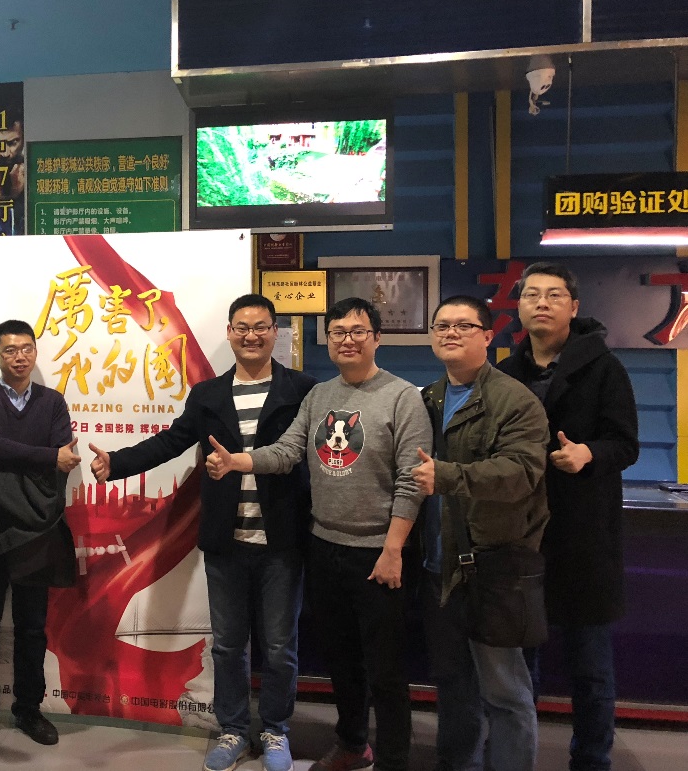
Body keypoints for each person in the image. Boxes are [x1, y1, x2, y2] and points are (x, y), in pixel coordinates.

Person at [88, 293, 316, 771]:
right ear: (229, 333)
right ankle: (233, 729)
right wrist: (117, 462)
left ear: (275, 331)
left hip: (282, 541)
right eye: (242, 327)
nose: (251, 335)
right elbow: (172, 441)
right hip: (225, 542)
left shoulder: (303, 390)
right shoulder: (208, 394)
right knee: (228, 645)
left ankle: (275, 731)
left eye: (260, 326)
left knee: (280, 647)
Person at [208, 297, 430, 771]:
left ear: (377, 338)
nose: (347, 340)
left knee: (386, 670)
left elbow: (412, 482)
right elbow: (287, 451)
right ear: (327, 339)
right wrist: (237, 461)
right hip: (324, 548)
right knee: (342, 662)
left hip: (379, 552)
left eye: (357, 331)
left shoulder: (402, 397)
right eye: (337, 332)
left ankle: (393, 759)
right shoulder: (319, 396)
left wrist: (394, 549)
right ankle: (353, 745)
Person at [497, 263, 639, 771]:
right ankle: (517, 758)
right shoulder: (506, 372)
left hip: (583, 538)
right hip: (520, 537)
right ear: (519, 306)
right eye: (531, 294)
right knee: (518, 668)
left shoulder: (605, 368)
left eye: (554, 295)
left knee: (590, 669)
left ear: (574, 307)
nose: (542, 302)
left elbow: (626, 445)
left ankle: (592, 760)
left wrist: (588, 454)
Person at [412, 295, 551, 771]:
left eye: (464, 325)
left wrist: (449, 476)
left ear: (488, 336)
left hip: (493, 567)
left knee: (505, 693)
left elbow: (521, 473)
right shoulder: (426, 399)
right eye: (442, 326)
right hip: (438, 566)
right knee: (453, 684)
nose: (451, 333)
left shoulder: (515, 400)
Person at [0, 319, 79, 754]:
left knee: (32, 628)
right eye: (9, 350)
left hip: (36, 529)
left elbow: (61, 458)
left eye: (26, 348)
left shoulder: (52, 401)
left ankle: (28, 708)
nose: (19, 356)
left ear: (35, 352)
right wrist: (47, 458)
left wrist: (25, 462)